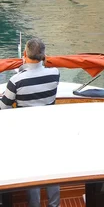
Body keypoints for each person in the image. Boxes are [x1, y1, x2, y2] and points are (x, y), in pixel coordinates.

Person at [0, 38, 60, 207]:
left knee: (32, 170)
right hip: (49, 129)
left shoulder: (16, 81)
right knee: (52, 169)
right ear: (44, 56)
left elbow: (3, 107)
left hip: (27, 132)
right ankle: (55, 205)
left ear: (25, 54)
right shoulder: (55, 73)